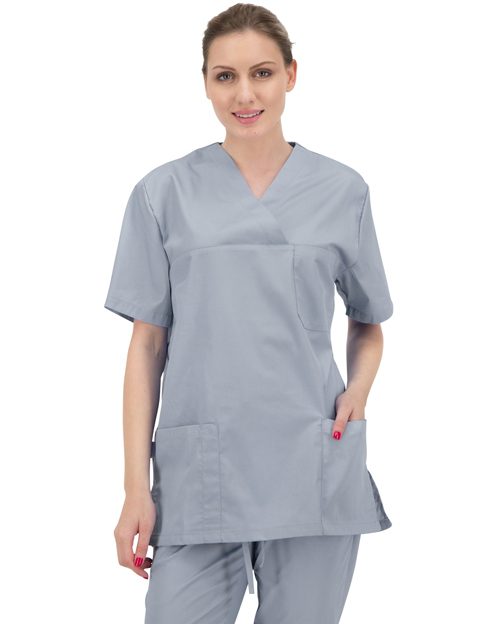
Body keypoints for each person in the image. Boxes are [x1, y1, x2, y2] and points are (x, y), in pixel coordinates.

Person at [103, 3, 394, 623]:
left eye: (261, 73)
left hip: (311, 459)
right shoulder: (162, 193)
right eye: (225, 76)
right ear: (206, 83)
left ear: (291, 74)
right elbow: (146, 346)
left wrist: (358, 392)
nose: (244, 94)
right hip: (200, 469)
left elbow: (368, 321)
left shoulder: (343, 191)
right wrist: (134, 487)